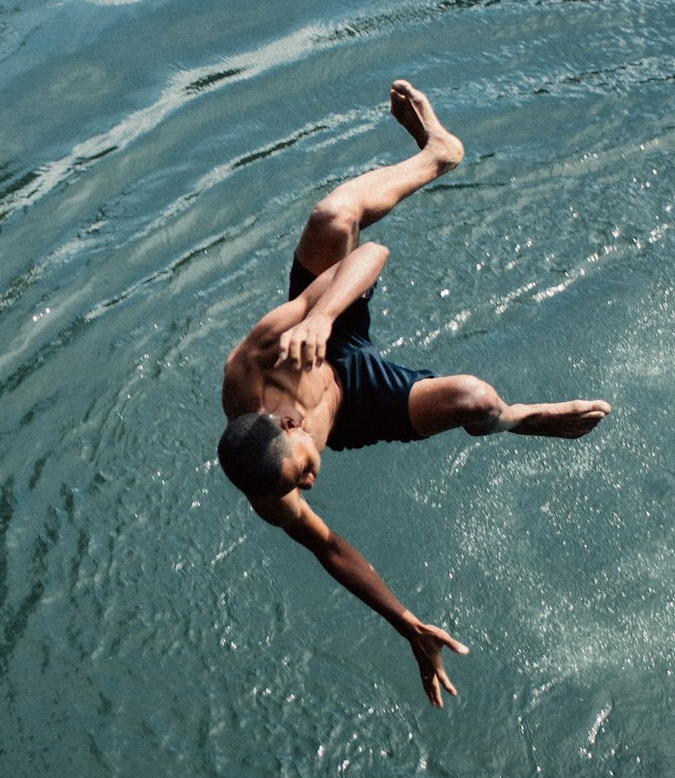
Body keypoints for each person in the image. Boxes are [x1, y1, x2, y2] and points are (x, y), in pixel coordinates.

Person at [219, 80, 611, 707]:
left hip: (326, 331)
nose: (311, 486)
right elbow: (330, 548)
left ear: (287, 426)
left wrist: (318, 320)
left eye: (303, 472)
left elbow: (372, 253)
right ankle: (515, 419)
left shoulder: (254, 363)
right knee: (476, 400)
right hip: (358, 406)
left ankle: (437, 151)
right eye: (300, 484)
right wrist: (405, 624)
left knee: (331, 219)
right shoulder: (272, 491)